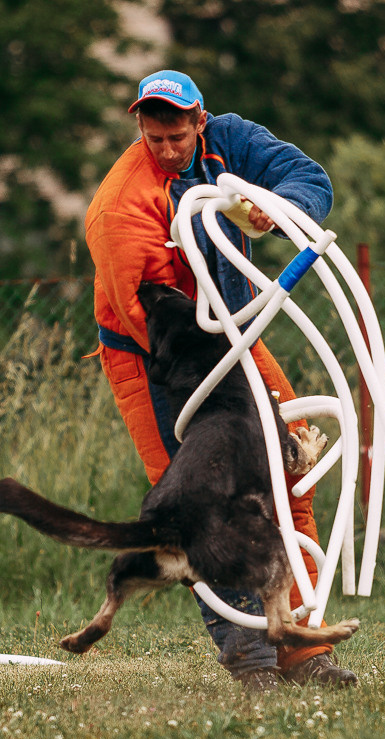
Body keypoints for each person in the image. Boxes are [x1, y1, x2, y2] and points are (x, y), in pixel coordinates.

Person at [84, 69, 358, 691]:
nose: (167, 150)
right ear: (140, 130)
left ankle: (302, 650)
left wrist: (278, 209)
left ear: (199, 122)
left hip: (235, 336)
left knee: (292, 475)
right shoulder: (122, 205)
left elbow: (310, 178)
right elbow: (153, 320)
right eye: (154, 139)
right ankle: (251, 657)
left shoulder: (231, 141)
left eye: (177, 136)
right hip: (158, 356)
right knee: (202, 501)